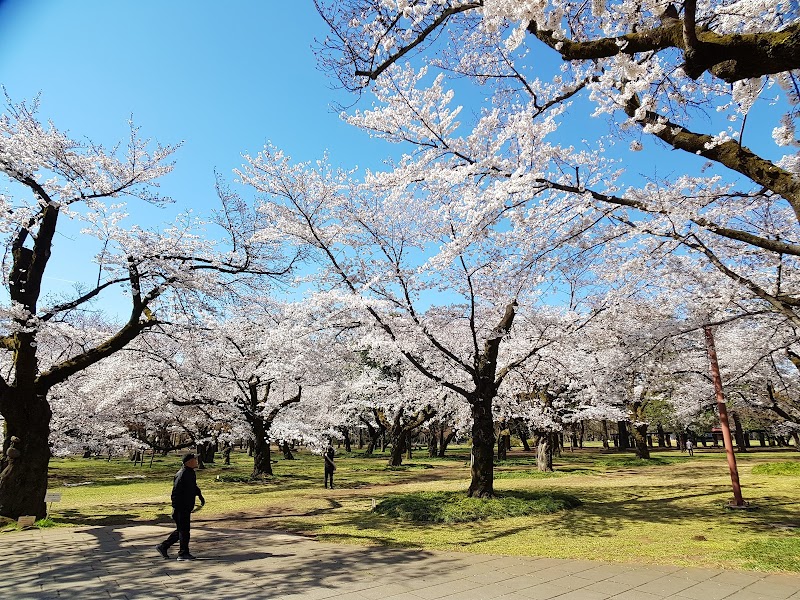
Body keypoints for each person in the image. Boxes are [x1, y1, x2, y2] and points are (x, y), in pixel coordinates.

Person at [157, 453, 205, 561]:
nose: (196, 461)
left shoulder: (190, 473)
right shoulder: (182, 474)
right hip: (180, 508)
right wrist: (176, 508)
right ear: (189, 462)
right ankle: (183, 553)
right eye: (195, 460)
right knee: (184, 531)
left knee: (181, 530)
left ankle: (163, 546)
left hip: (186, 507)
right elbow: (175, 493)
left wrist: (200, 496)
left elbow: (194, 486)